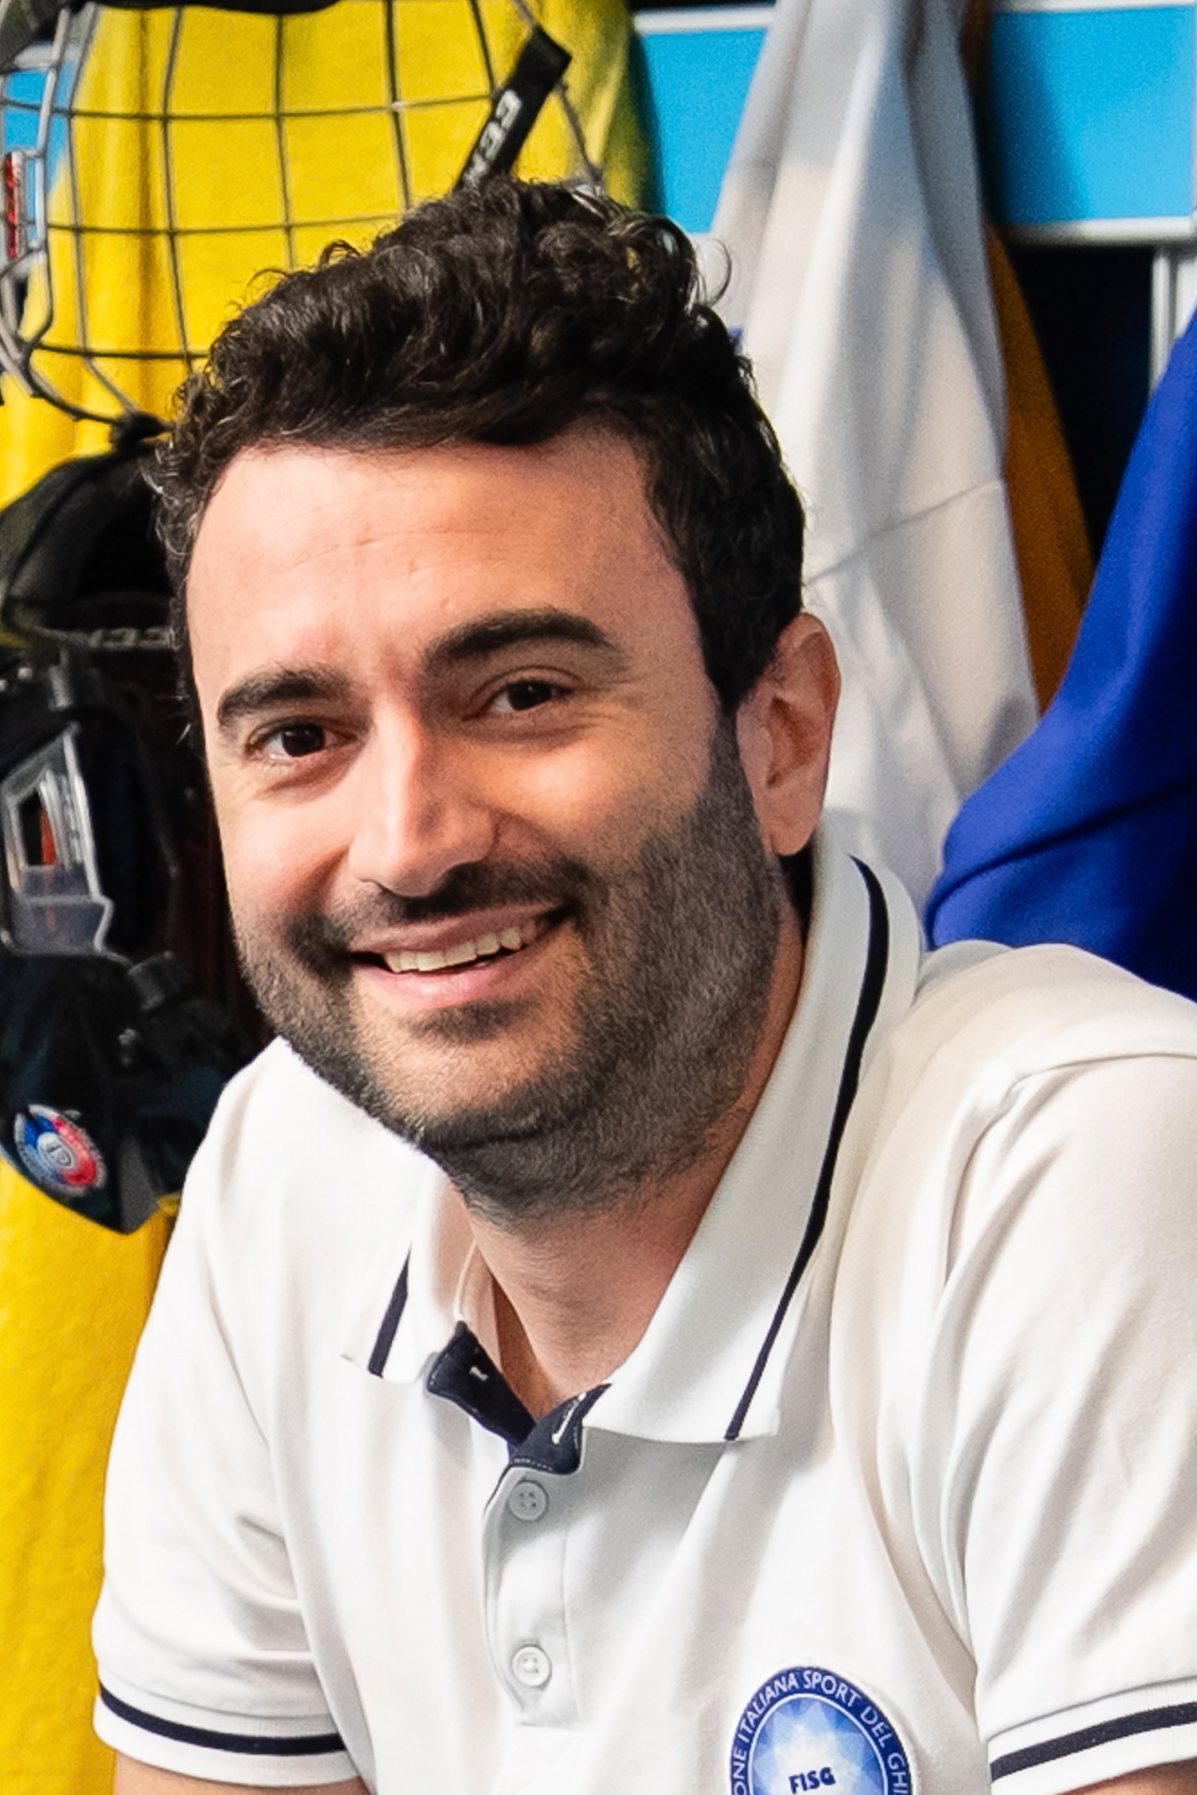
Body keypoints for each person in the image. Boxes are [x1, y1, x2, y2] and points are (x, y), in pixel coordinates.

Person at [93, 179, 1197, 1795]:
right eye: (298, 737)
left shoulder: (1095, 1167)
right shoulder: (286, 1165)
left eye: (522, 693)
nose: (406, 843)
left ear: (782, 737)